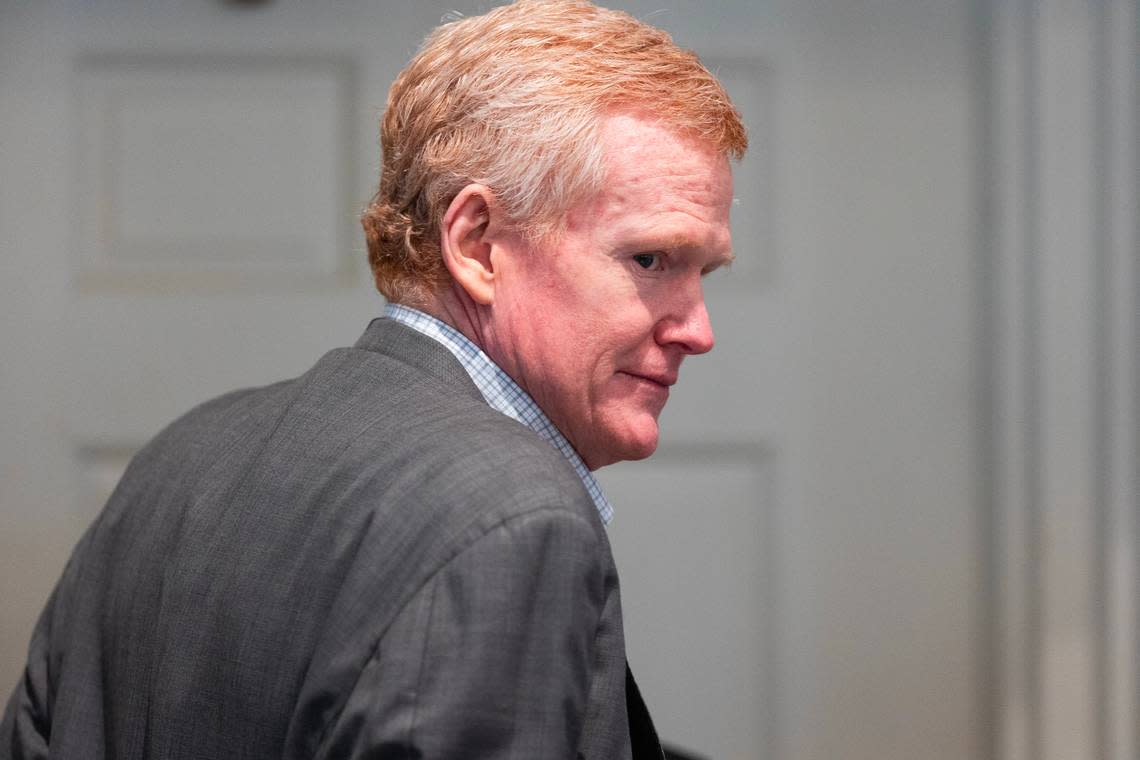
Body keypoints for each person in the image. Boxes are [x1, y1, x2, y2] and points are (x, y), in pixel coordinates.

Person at [1, 1, 746, 757]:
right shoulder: (512, 519)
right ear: (477, 244)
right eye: (651, 261)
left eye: (704, 272)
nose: (700, 329)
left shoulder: (186, 458)